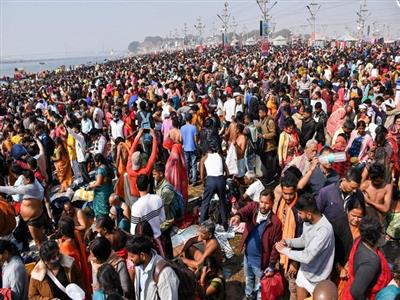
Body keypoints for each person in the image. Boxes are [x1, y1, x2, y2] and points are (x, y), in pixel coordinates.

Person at [276, 193, 335, 299]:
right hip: (304, 272)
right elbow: (304, 240)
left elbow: (307, 257)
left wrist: (284, 251)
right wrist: (288, 242)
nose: (298, 215)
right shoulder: (307, 222)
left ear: (309, 214)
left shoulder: (324, 231)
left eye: (299, 213)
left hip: (319, 278)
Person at [230, 189, 282, 300]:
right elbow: (244, 211)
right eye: (262, 202)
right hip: (248, 256)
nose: (263, 205)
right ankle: (248, 296)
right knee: (249, 279)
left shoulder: (276, 223)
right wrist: (237, 216)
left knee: (261, 286)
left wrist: (272, 266)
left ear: (272, 203)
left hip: (261, 262)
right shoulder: (254, 207)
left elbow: (275, 247)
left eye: (267, 203)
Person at [343, 216, 392, 300]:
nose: (384, 235)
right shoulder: (371, 262)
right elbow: (356, 291)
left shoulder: (360, 240)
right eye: (382, 233)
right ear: (377, 237)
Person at [275, 172, 304, 300]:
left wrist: (294, 262)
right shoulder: (281, 202)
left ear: (295, 190)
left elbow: (301, 238)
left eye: (290, 194)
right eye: (285, 193)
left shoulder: (300, 209)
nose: (287, 197)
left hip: (292, 258)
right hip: (281, 252)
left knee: (293, 289)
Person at [0, 169, 45, 246]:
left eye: (23, 179)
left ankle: (44, 255)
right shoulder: (34, 183)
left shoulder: (28, 188)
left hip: (34, 220)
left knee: (38, 241)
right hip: (36, 216)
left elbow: (12, 190)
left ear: (28, 180)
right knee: (40, 237)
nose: (22, 180)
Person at [126, 235, 180, 300]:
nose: (129, 259)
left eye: (132, 256)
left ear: (142, 256)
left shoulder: (165, 274)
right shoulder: (138, 266)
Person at [331, 198, 366, 298]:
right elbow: (332, 250)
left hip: (355, 271)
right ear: (347, 211)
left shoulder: (365, 228)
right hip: (336, 270)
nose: (356, 219)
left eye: (360, 217)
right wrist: (339, 268)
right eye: (353, 215)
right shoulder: (338, 225)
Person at [130, 174, 166, 252]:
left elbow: (133, 231)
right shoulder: (157, 198)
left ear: (136, 186)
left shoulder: (136, 206)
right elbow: (163, 219)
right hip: (158, 240)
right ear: (149, 185)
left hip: (145, 246)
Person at [199, 140, 230, 229]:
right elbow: (227, 172)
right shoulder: (220, 156)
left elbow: (201, 176)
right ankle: (225, 224)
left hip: (210, 181)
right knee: (222, 202)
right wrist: (222, 180)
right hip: (220, 180)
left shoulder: (204, 158)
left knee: (205, 203)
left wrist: (205, 184)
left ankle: (202, 225)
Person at [58, 216, 91, 292]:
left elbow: (65, 266)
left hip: (76, 276)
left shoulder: (64, 246)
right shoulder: (77, 234)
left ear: (62, 231)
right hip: (84, 269)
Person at [127, 128, 158, 205]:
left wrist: (138, 136)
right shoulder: (145, 171)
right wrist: (154, 137)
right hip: (144, 196)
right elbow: (153, 154)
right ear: (141, 161)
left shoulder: (129, 168)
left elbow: (131, 152)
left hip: (134, 195)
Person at [87, 153, 114, 218]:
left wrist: (90, 186)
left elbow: (99, 183)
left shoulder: (100, 170)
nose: (95, 163)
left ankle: (103, 220)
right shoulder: (108, 166)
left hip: (102, 193)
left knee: (102, 209)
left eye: (95, 162)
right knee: (109, 204)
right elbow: (113, 176)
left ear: (99, 162)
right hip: (109, 189)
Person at [163, 137, 189, 203]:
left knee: (178, 188)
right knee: (182, 188)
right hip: (180, 171)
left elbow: (175, 158)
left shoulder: (174, 149)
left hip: (177, 171)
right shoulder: (177, 146)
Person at [257, 105, 278, 184]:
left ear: (264, 112)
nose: (259, 114)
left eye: (260, 112)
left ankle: (270, 179)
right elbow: (258, 126)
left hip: (270, 146)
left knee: (269, 164)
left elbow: (273, 133)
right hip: (264, 147)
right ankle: (272, 174)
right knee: (264, 161)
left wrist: (264, 136)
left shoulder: (270, 121)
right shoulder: (263, 120)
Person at [181, 113, 199, 186]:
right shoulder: (194, 127)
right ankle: (194, 181)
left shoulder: (182, 128)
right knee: (194, 164)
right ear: (191, 119)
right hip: (193, 148)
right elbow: (195, 140)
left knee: (187, 165)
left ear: (185, 119)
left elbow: (181, 139)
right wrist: (197, 147)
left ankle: (188, 179)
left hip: (185, 148)